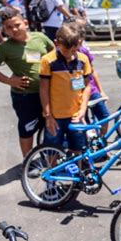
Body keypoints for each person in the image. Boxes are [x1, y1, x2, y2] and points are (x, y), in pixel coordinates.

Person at [0, 8, 53, 159]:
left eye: (17, 25)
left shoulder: (40, 38)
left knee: (50, 124)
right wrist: (9, 80)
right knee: (28, 128)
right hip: (25, 96)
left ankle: (51, 156)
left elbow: (55, 53)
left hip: (48, 92)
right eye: (9, 28)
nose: (14, 29)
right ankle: (28, 160)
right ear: (4, 30)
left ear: (25, 23)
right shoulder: (5, 48)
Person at [39, 23, 91, 156]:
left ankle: (77, 173)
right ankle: (53, 175)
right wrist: (48, 115)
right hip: (55, 117)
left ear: (79, 43)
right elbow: (44, 89)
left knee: (77, 149)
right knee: (52, 151)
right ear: (56, 43)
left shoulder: (83, 60)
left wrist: (83, 110)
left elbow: (86, 86)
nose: (70, 55)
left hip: (76, 115)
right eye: (65, 51)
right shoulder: (48, 61)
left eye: (73, 51)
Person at [69, 18, 110, 136]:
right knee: (83, 121)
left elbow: (92, 70)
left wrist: (101, 91)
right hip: (76, 93)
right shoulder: (63, 53)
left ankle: (101, 143)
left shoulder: (84, 52)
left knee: (104, 117)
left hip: (91, 90)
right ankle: (87, 148)